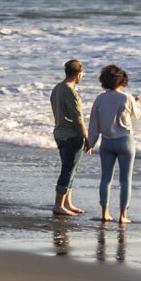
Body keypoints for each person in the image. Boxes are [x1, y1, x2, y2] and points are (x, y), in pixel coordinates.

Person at [87, 64, 141, 224]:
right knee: (125, 180)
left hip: (107, 142)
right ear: (122, 81)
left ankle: (105, 213)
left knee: (106, 178)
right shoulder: (127, 97)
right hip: (125, 141)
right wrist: (136, 102)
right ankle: (123, 216)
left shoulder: (100, 99)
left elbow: (94, 124)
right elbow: (135, 115)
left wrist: (91, 142)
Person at [50, 59, 88, 217]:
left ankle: (67, 203)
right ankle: (59, 204)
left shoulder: (57, 88)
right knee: (68, 170)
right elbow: (78, 118)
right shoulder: (70, 91)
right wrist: (86, 137)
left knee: (70, 169)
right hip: (71, 135)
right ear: (78, 75)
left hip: (59, 133)